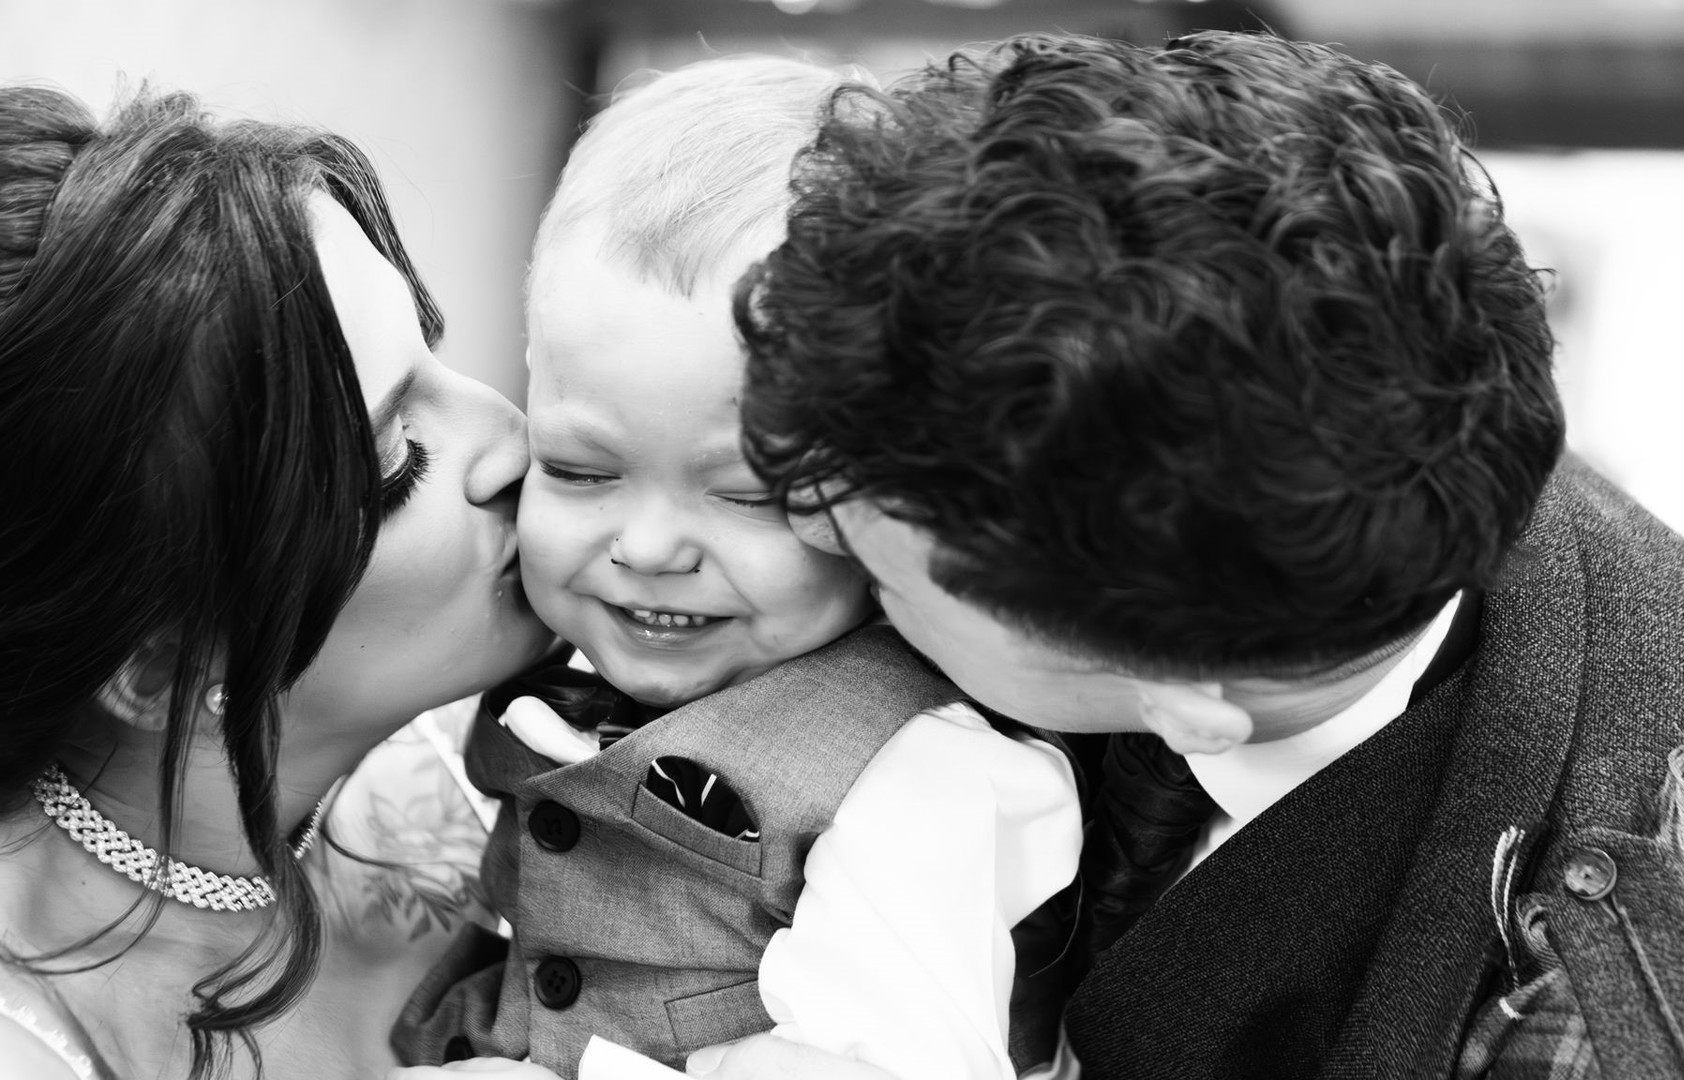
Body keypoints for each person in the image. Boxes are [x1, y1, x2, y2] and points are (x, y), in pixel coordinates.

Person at [709, 31, 1684, 1080]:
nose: (809, 531)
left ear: (1180, 704)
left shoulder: (1630, 1022)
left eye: (889, 574)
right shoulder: (1352, 410)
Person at [388, 56, 1080, 1080]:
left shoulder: (921, 774)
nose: (651, 548)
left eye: (750, 495)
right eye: (579, 471)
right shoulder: (517, 686)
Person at [0, 86, 556, 1080]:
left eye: (436, 351)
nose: (517, 439)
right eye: (398, 456)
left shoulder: (515, 776)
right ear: (160, 666)